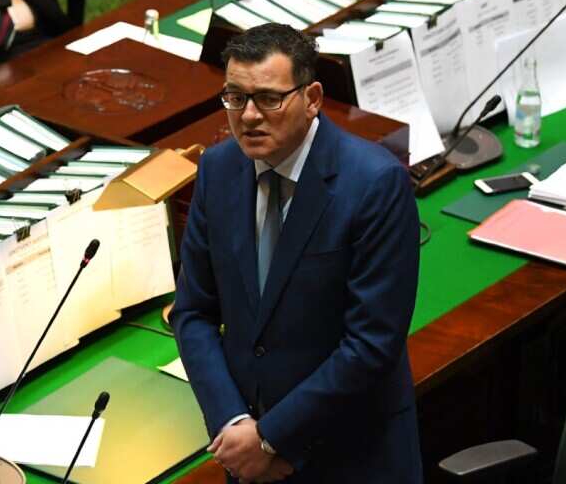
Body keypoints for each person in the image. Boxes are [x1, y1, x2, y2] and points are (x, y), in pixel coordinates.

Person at [171, 24, 421, 483]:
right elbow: (193, 312)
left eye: (269, 98)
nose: (248, 116)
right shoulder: (218, 170)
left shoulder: (374, 184)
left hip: (350, 458)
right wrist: (233, 424)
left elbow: (371, 344)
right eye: (235, 97)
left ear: (313, 98)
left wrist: (271, 438)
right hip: (248, 457)